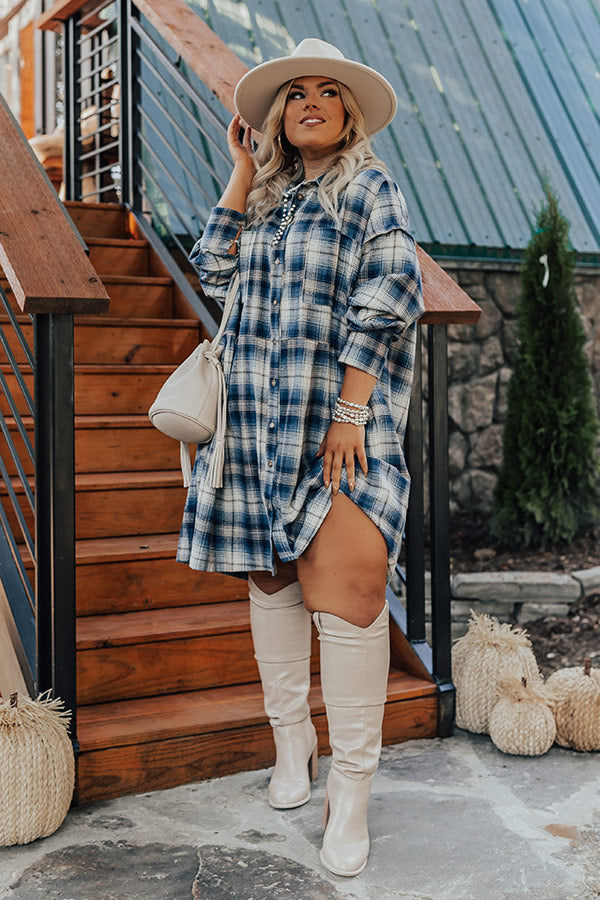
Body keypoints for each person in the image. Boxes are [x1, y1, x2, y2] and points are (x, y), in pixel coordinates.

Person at [178, 38, 424, 877]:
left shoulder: (369, 187)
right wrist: (242, 171)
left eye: (328, 92)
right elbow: (212, 268)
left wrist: (352, 406)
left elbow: (389, 291)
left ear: (348, 114)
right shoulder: (270, 199)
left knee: (351, 588)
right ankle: (294, 749)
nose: (310, 101)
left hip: (337, 426)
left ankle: (351, 791)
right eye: (295, 94)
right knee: (272, 579)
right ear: (277, 116)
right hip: (252, 426)